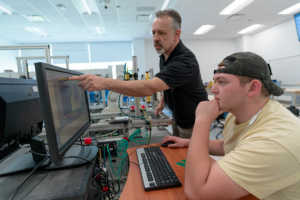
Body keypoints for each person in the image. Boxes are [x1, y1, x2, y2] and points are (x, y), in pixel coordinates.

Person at [162, 52, 300, 200]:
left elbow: (197, 193)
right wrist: (188, 142)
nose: (213, 90)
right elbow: (228, 144)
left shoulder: (274, 140)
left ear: (253, 88)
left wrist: (202, 120)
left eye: (222, 82)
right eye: (215, 81)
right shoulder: (237, 112)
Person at [69, 9, 208, 139]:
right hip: (178, 118)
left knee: (191, 163)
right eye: (153, 33)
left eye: (161, 33)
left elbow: (149, 88)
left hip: (194, 123)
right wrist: (162, 102)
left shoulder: (184, 61)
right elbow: (168, 84)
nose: (155, 38)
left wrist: (105, 83)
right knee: (180, 159)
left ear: (176, 34)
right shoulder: (165, 56)